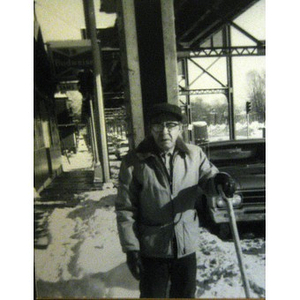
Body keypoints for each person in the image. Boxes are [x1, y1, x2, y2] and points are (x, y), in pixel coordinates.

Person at [115, 103, 236, 298]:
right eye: (158, 126)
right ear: (150, 129)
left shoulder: (194, 155)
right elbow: (126, 208)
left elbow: (209, 181)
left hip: (185, 248)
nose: (164, 132)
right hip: (152, 250)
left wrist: (221, 180)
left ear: (179, 128)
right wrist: (131, 249)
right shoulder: (134, 161)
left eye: (170, 125)